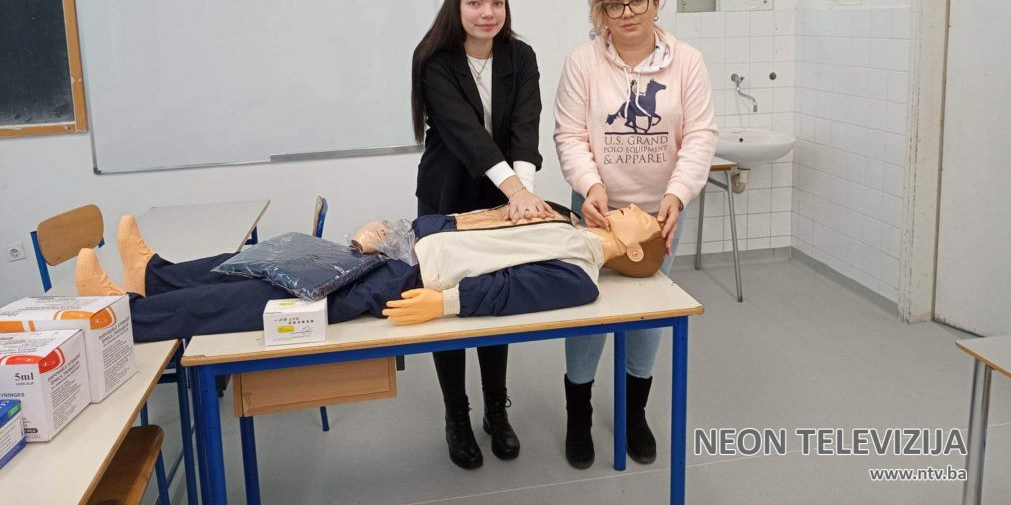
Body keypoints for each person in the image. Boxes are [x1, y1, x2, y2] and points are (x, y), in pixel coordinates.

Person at [553, 0, 718, 469]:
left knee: (648, 313)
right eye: (614, 4)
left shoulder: (687, 62)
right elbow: (570, 135)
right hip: (597, 212)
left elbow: (700, 136)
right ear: (600, 12)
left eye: (637, 1)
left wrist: (678, 194)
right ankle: (578, 416)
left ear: (656, 2)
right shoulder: (582, 62)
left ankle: (634, 412)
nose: (627, 13)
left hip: (659, 213)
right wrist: (591, 187)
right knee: (587, 313)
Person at [73, 208, 665, 341]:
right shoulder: (562, 218)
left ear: (636, 253)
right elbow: (469, 219)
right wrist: (396, 227)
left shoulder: (581, 276)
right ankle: (155, 277)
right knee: (281, 260)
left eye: (641, 219)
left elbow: (511, 292)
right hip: (404, 255)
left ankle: (125, 317)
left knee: (266, 298)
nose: (632, 208)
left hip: (412, 282)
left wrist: (445, 305)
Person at [411, 0, 552, 468]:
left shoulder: (521, 55)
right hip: (447, 195)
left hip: (503, 198)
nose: (487, 13)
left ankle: (496, 409)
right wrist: (516, 192)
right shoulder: (434, 60)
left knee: (495, 300)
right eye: (475, 2)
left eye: (497, 2)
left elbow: (526, 127)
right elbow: (466, 135)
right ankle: (457, 414)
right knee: (445, 305)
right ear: (457, 6)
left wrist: (523, 196)